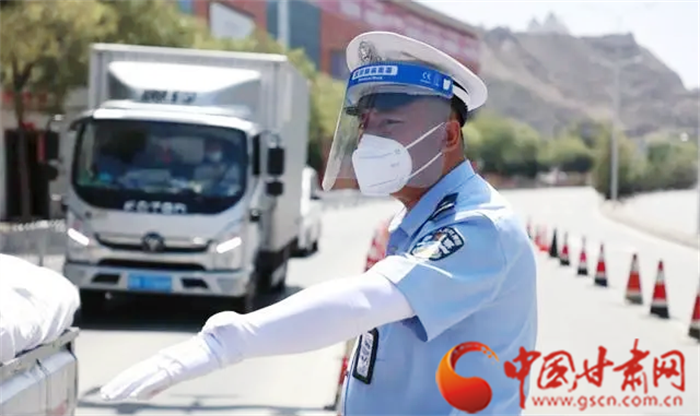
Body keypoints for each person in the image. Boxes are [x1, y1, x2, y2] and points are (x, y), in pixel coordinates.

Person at [99, 31, 538, 415]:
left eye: (390, 124)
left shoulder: (478, 227)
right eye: (366, 126)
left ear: (447, 135)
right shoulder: (419, 218)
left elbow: (367, 301)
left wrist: (230, 341)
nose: (369, 141)